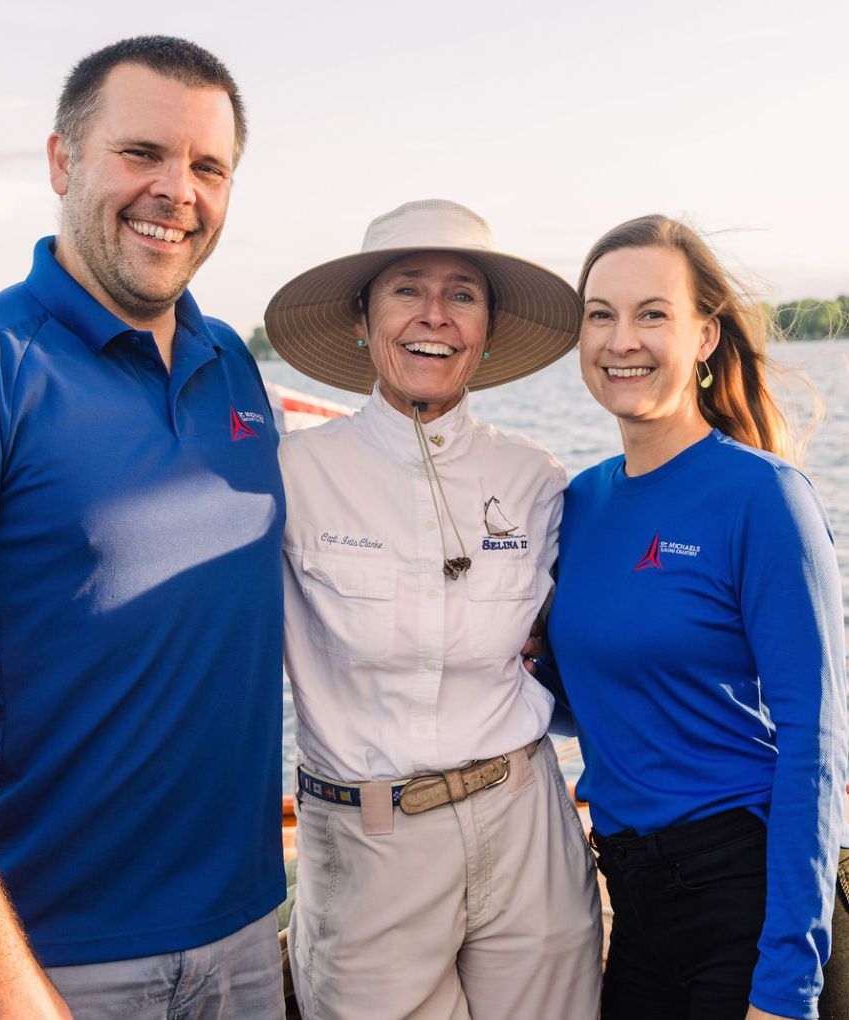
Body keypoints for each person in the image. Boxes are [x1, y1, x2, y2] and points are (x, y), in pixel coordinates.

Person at [0, 36, 286, 1020]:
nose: (178, 191)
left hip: (242, 940)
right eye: (142, 155)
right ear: (61, 162)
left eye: (209, 167)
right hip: (43, 964)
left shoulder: (233, 372)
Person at [264, 199, 604, 1020]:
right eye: (405, 290)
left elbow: (584, 642)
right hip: (367, 846)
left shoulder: (539, 480)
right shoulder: (290, 476)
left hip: (529, 828)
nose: (433, 316)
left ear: (487, 330)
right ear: (362, 319)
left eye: (462, 295)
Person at [545, 214, 847, 1020]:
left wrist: (787, 980)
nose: (621, 339)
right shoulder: (579, 503)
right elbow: (591, 703)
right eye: (600, 314)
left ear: (706, 335)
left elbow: (815, 748)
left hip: (736, 895)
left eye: (653, 313)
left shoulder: (764, 498)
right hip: (631, 898)